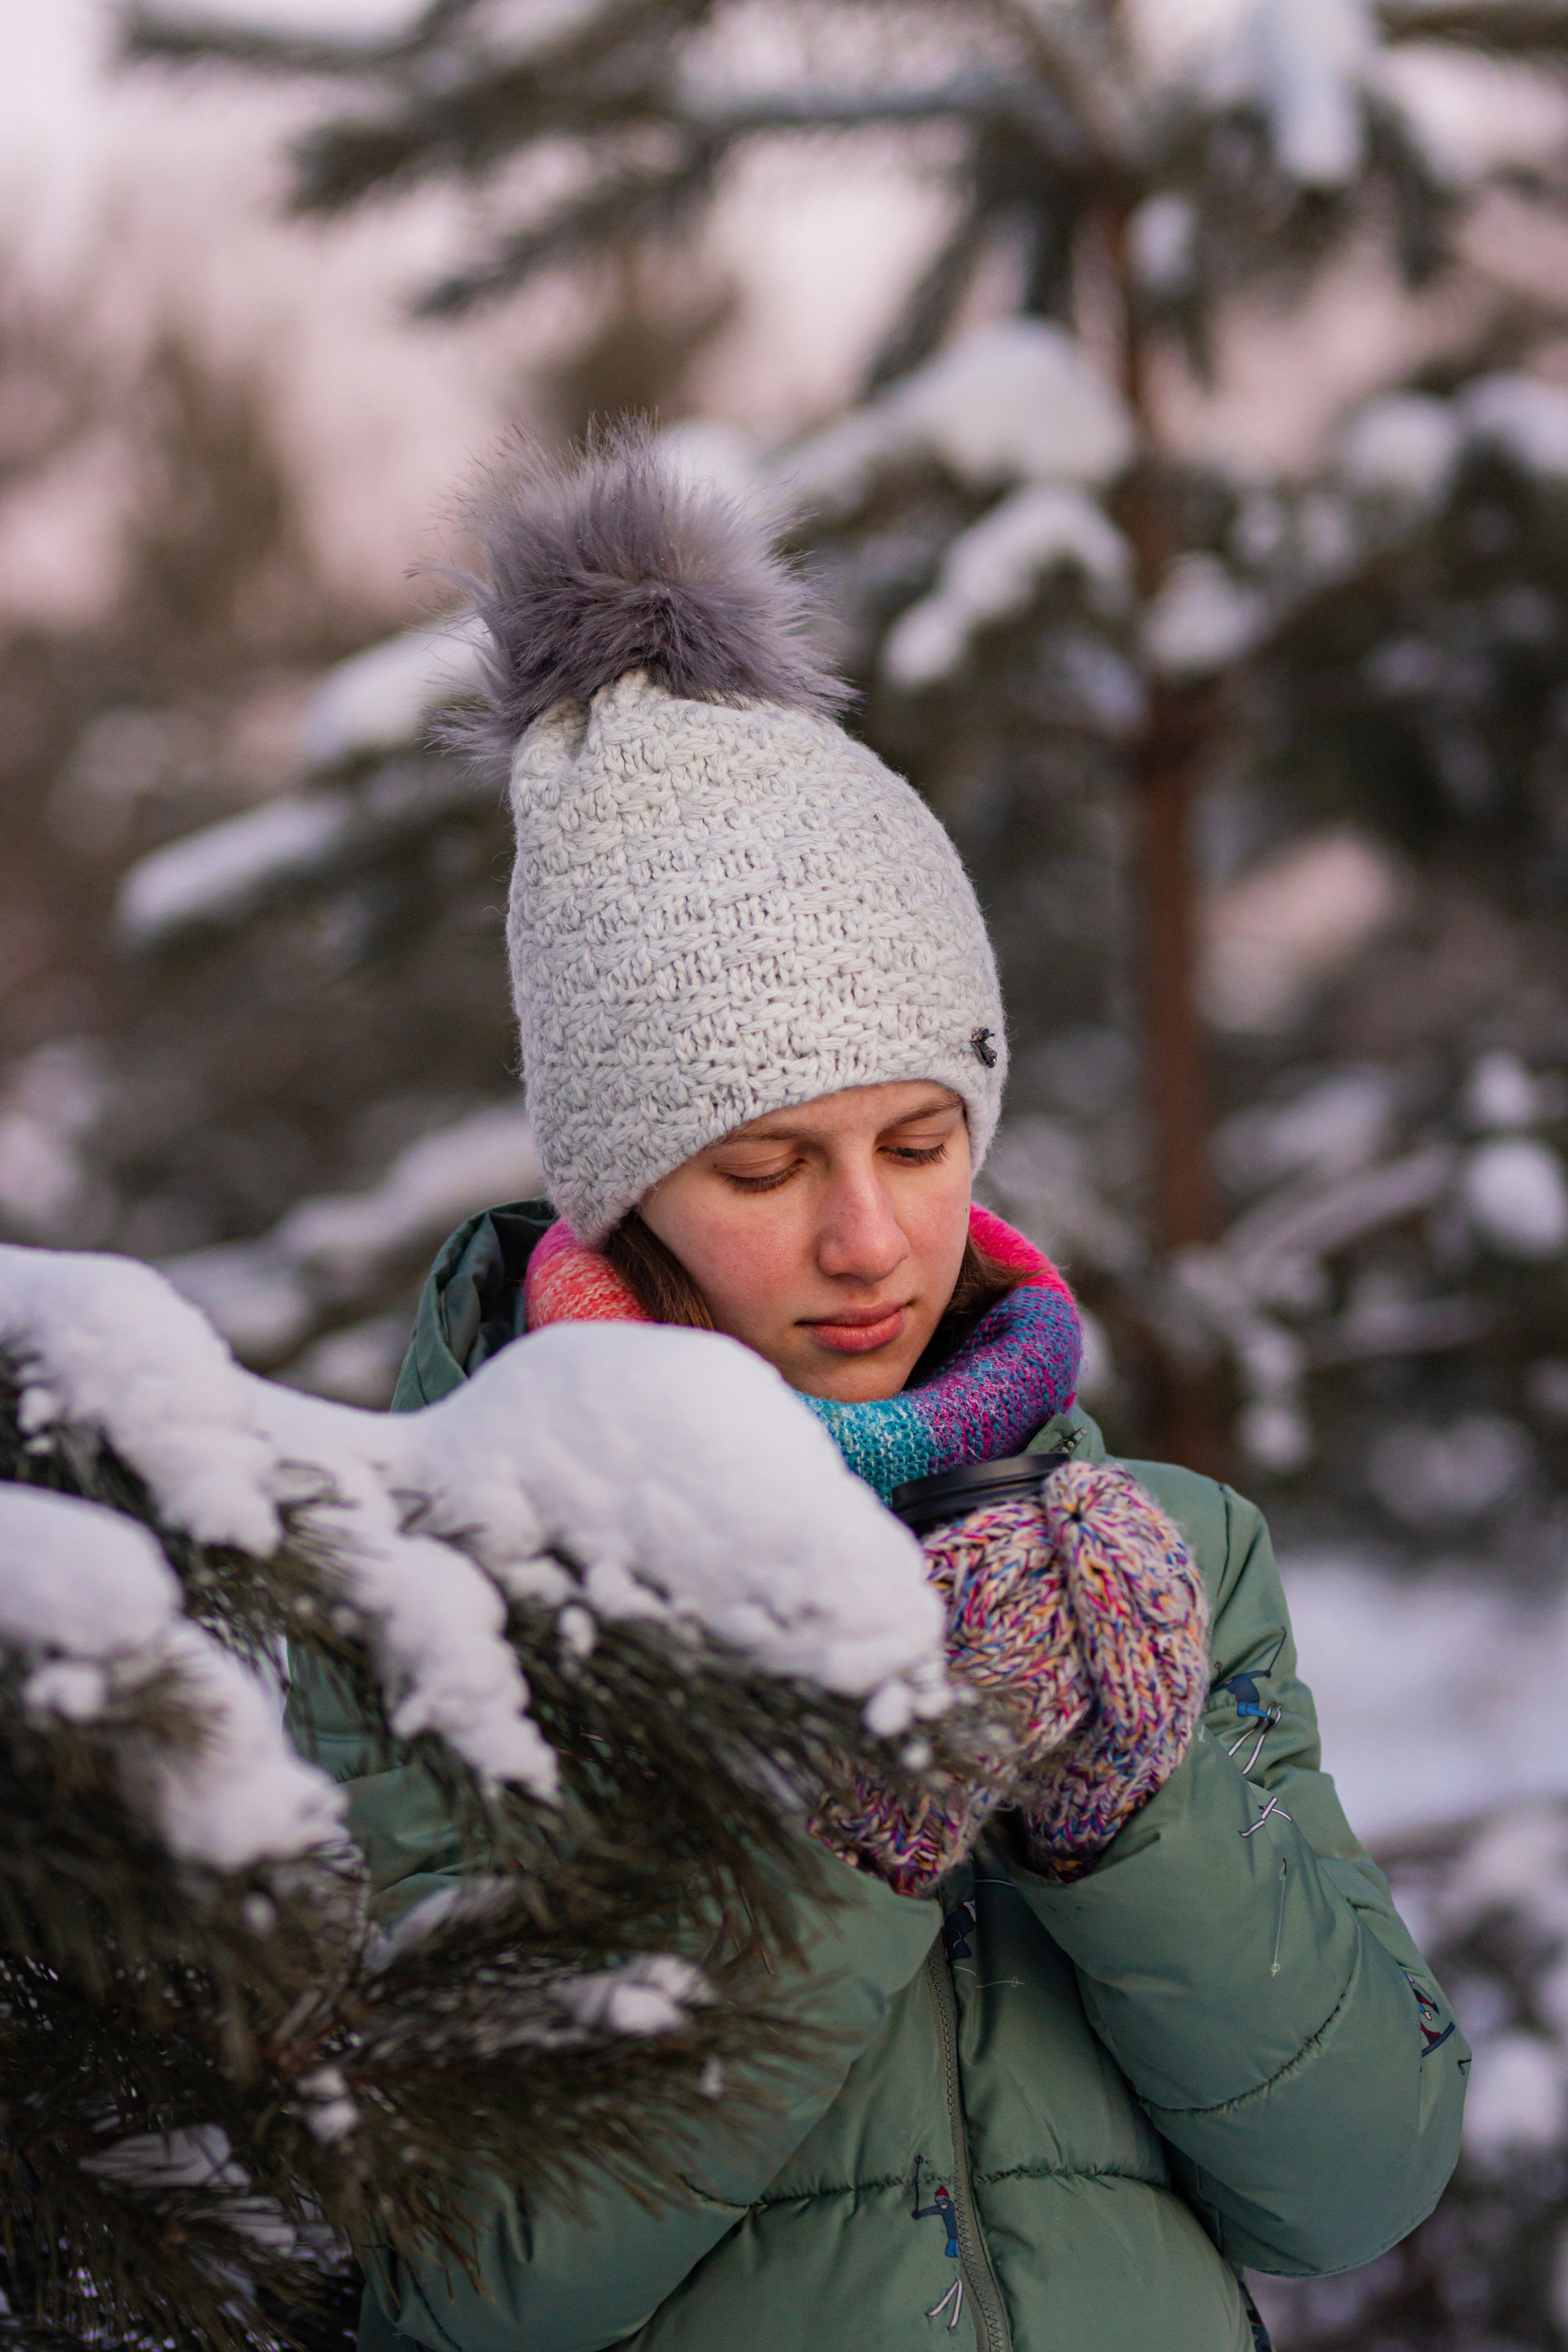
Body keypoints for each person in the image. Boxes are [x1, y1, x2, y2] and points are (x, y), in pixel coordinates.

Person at [288, 432, 1466, 2352]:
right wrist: (841, 1849)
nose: (870, 1240)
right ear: (625, 1183)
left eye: (922, 1144)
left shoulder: (1166, 1558)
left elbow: (1359, 2182)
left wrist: (1127, 1820)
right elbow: (458, 2288)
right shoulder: (441, 1605)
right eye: (764, 1170)